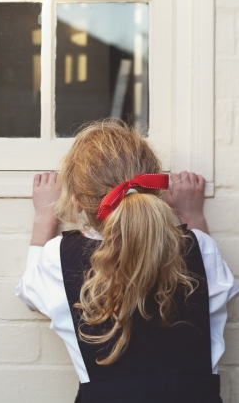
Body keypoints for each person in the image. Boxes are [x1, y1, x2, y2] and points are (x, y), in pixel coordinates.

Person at [16, 119, 238, 403]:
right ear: (155, 190)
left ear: (76, 201)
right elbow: (218, 288)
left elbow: (30, 294)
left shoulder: (57, 258)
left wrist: (43, 218)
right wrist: (193, 216)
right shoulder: (200, 248)